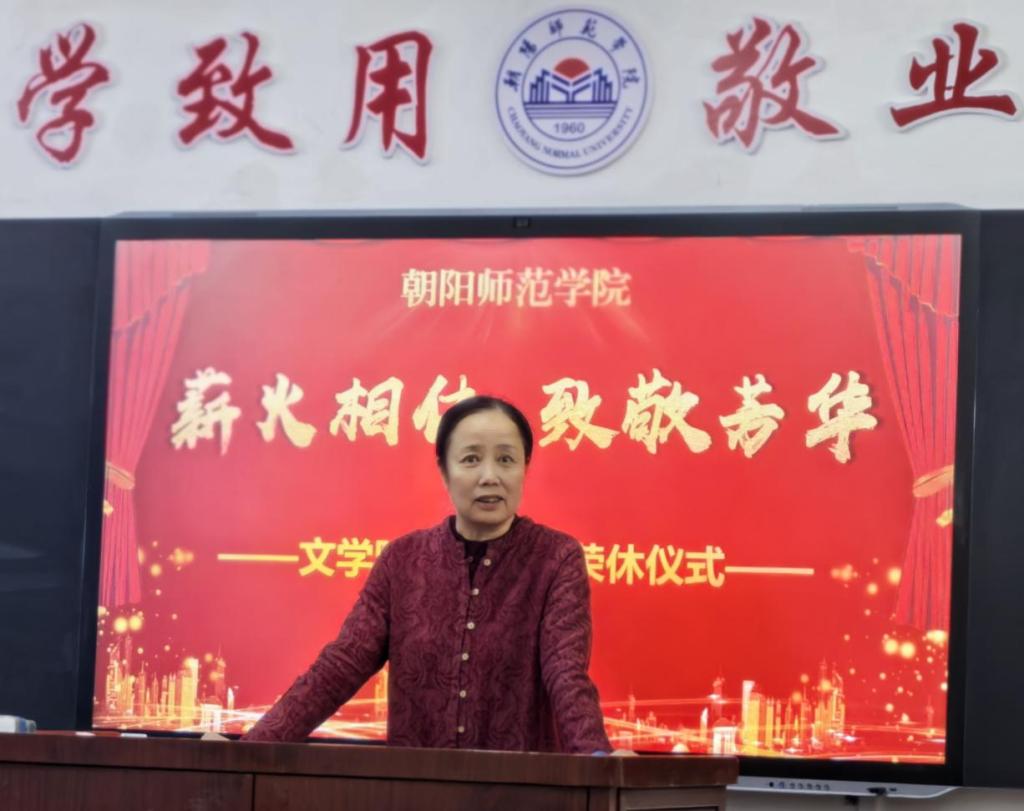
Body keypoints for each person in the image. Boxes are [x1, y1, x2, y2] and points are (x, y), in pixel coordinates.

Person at [242, 395, 611, 754]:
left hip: (521, 786)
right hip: (417, 785)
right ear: (443, 470)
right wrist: (249, 750)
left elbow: (565, 673)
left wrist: (598, 758)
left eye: (506, 459)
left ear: (524, 467)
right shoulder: (402, 561)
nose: (490, 476)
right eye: (471, 459)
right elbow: (342, 664)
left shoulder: (556, 559)